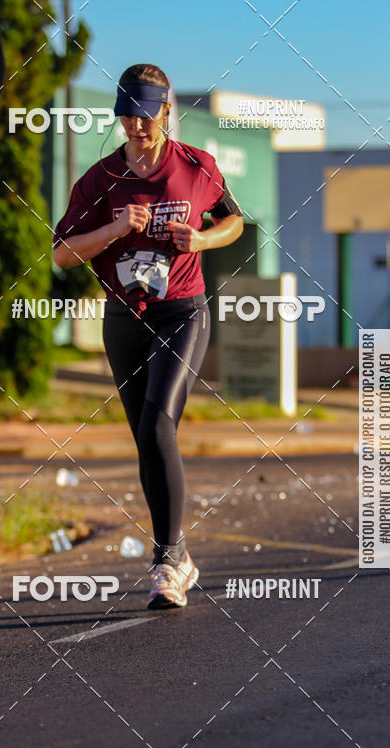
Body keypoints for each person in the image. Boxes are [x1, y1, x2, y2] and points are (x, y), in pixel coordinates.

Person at [53, 63, 243, 609]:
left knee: (161, 420)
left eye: (144, 117)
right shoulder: (99, 179)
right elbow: (63, 254)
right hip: (123, 318)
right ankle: (177, 556)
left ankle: (166, 560)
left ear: (164, 110)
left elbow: (234, 221)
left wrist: (201, 240)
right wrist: (114, 229)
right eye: (125, 118)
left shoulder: (195, 167)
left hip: (182, 310)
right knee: (145, 435)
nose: (135, 128)